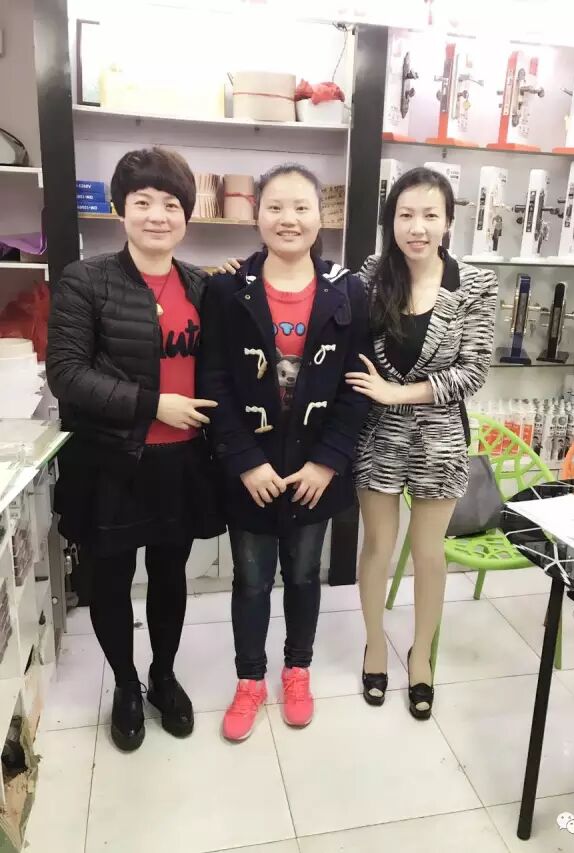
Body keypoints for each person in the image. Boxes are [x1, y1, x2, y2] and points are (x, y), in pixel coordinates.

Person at [47, 147, 225, 752]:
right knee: (111, 579)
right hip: (112, 463)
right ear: (120, 209)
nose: (157, 215)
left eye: (171, 204)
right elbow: (67, 374)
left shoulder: (201, 285)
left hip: (183, 461)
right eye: (142, 202)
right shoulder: (85, 280)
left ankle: (162, 676)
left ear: (186, 216)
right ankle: (125, 683)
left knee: (170, 575)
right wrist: (153, 405)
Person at [197, 163, 371, 741]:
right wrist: (245, 461)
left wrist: (328, 462)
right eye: (275, 206)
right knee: (250, 580)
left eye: (301, 207)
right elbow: (214, 381)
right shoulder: (227, 290)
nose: (288, 219)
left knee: (302, 575)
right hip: (253, 468)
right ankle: (250, 679)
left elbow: (357, 385)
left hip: (313, 469)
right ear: (257, 215)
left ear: (321, 217)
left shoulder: (349, 291)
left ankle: (297, 670)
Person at [345, 166, 498, 719]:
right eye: (406, 214)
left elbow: (472, 371)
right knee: (377, 547)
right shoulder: (368, 277)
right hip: (377, 435)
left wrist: (398, 392)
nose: (417, 227)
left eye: (430, 215)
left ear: (448, 221)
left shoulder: (475, 284)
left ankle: (421, 656)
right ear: (390, 221)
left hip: (440, 437)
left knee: (429, 554)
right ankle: (374, 645)